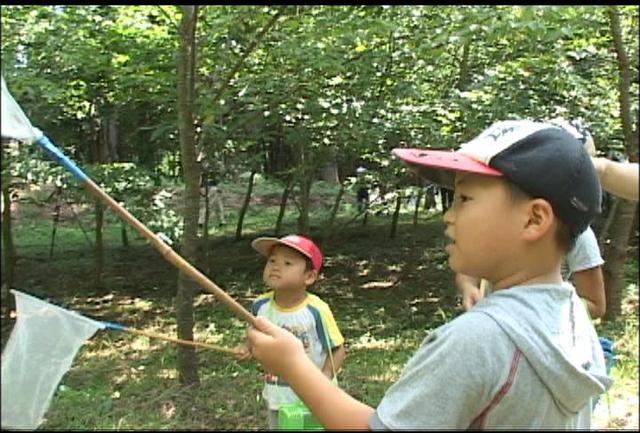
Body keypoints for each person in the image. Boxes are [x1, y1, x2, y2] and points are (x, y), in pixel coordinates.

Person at [245, 120, 611, 429]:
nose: (448, 216)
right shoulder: (572, 318)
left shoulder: (477, 340)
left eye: (464, 199)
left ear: (534, 219)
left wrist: (293, 364)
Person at [234, 234, 346, 430]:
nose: (276, 266)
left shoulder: (316, 311)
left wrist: (323, 380)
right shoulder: (260, 306)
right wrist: (246, 348)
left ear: (309, 276)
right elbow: (253, 337)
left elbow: (338, 350)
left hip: (314, 399)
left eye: (287, 263)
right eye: (272, 261)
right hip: (277, 396)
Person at [456, 225, 605, 319]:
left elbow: (596, 305)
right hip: (491, 325)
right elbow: (469, 267)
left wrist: (541, 306)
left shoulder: (577, 233)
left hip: (544, 338)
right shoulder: (496, 220)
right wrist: (469, 287)